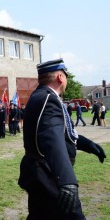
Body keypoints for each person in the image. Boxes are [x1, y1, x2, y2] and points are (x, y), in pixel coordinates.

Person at [18, 58, 106, 220]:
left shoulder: (41, 96)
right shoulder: (48, 100)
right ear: (60, 76)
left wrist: (88, 144)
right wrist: (67, 181)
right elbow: (51, 139)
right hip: (49, 175)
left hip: (38, 172)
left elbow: (62, 133)